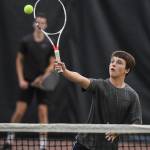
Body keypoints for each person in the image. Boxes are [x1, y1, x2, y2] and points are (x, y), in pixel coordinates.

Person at [54, 51, 142, 150]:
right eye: (112, 61)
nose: (113, 64)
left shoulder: (132, 95)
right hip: (84, 144)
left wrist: (119, 130)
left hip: (108, 147)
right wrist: (65, 71)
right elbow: (80, 79)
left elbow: (137, 124)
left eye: (119, 62)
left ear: (127, 70)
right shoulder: (100, 85)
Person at [2, 13, 55, 150]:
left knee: (43, 112)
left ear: (46, 25)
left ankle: (43, 145)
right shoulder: (25, 41)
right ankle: (9, 139)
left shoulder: (49, 44)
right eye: (38, 23)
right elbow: (19, 60)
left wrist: (42, 78)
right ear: (34, 24)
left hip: (42, 83)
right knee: (19, 111)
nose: (40, 25)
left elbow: (52, 64)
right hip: (27, 81)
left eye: (42, 23)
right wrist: (21, 79)